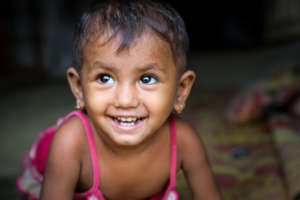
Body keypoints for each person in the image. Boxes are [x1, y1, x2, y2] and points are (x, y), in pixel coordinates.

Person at [16, 0, 222, 199]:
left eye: (147, 79)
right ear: (78, 88)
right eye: (104, 78)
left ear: (180, 91)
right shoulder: (70, 143)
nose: (125, 101)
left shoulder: (184, 141)